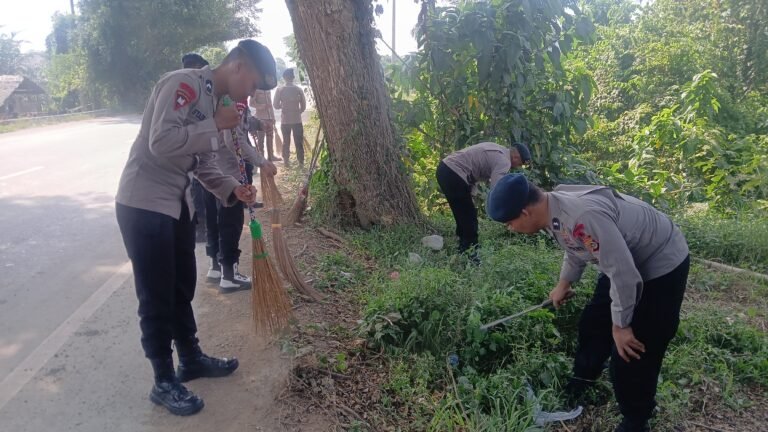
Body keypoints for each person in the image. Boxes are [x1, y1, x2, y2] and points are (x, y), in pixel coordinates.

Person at [115, 39, 278, 416]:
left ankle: (189, 358)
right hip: (144, 202)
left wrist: (232, 189)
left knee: (182, 284)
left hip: (176, 204)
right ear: (238, 67)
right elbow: (161, 142)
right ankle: (163, 379)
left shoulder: (214, 104)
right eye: (252, 85)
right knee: (155, 295)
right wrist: (214, 125)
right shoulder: (184, 85)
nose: (250, 95)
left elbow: (203, 164)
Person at [485, 174, 690, 432]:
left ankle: (636, 420)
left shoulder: (582, 215)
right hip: (621, 259)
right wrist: (564, 283)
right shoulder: (552, 208)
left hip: (659, 263)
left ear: (525, 212)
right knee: (594, 325)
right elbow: (575, 243)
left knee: (632, 350)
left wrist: (622, 326)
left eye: (509, 223)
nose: (510, 229)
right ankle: (582, 380)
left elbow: (624, 275)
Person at [204, 100, 276, 292]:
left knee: (215, 221)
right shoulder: (232, 101)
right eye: (252, 86)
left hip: (209, 172)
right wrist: (262, 162)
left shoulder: (218, 97)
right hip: (229, 175)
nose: (253, 93)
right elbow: (234, 140)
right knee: (230, 223)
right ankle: (229, 275)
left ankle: (216, 267)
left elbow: (243, 122)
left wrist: (259, 124)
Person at [436, 141, 531, 256]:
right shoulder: (504, 162)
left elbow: (474, 168)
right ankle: (471, 255)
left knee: (463, 214)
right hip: (454, 173)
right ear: (516, 157)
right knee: (469, 217)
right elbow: (497, 189)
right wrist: (506, 212)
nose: (518, 167)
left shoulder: (496, 148)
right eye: (520, 163)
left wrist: (472, 192)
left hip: (445, 169)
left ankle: (462, 247)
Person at [181, 53, 211, 242]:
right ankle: (199, 226)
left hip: (197, 156)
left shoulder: (203, 95)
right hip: (185, 157)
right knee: (194, 188)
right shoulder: (182, 92)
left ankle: (200, 224)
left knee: (198, 188)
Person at [273, 68, 306, 167]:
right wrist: (297, 111)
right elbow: (303, 106)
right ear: (293, 77)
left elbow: (275, 105)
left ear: (284, 78)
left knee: (286, 141)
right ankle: (301, 162)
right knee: (298, 141)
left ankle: (286, 161)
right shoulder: (298, 89)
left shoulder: (280, 90)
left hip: (285, 120)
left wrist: (283, 107)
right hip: (297, 120)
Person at [249, 89, 281, 161]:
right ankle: (261, 157)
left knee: (270, 138)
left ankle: (271, 156)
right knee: (260, 139)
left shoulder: (268, 90)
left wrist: (273, 117)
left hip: (269, 118)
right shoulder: (256, 90)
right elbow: (251, 103)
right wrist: (262, 106)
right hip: (260, 119)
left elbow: (271, 105)